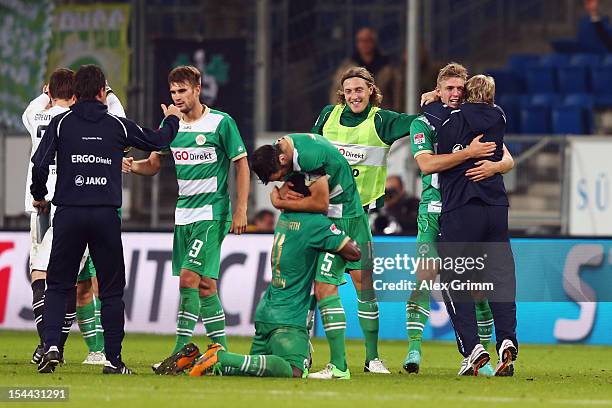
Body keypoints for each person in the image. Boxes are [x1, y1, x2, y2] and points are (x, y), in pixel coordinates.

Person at [31, 64, 181, 374]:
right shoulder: (117, 126)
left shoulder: (60, 124)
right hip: (105, 216)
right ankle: (113, 360)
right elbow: (157, 140)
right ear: (102, 93)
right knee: (111, 290)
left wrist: (39, 195)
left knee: (58, 285)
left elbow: (39, 164)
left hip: (69, 214)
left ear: (75, 94)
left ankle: (53, 347)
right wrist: (172, 120)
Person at [157, 175, 362, 378]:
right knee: (294, 370)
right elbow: (354, 253)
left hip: (266, 312)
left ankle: (197, 358)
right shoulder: (316, 224)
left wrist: (279, 199)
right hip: (289, 319)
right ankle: (220, 357)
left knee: (252, 369)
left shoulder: (285, 216)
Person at [122, 65, 250, 372]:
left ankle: (180, 352)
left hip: (212, 212)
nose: (177, 97)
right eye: (173, 92)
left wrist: (241, 208)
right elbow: (153, 164)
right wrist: (131, 166)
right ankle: (223, 355)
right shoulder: (172, 126)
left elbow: (241, 165)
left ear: (197, 89)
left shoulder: (221, 122)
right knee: (205, 286)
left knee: (189, 279)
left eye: (183, 91)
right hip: (184, 215)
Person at [404, 63, 515, 376]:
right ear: (438, 90)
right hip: (433, 210)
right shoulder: (423, 122)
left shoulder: (471, 118)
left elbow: (505, 156)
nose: (455, 94)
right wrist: (468, 154)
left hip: (462, 209)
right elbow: (426, 164)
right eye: (448, 88)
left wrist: (495, 167)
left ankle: (482, 358)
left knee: (478, 286)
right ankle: (414, 348)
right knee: (425, 275)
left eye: (459, 89)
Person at [313, 66, 421, 373]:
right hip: (326, 216)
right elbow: (309, 150)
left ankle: (372, 358)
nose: (353, 96)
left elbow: (421, 123)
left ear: (371, 91)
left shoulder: (381, 120)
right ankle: (319, 358)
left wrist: (438, 103)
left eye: (359, 90)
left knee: (365, 287)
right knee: (318, 288)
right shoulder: (327, 116)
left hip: (357, 216)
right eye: (348, 91)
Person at [22, 69, 125, 367]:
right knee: (84, 282)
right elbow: (117, 115)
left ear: (50, 92)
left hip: (42, 204)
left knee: (47, 277)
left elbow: (35, 106)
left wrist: (46, 93)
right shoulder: (83, 120)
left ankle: (50, 344)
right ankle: (91, 350)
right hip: (81, 200)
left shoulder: (40, 116)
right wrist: (107, 92)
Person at [251, 133, 369, 379]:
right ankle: (306, 349)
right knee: (313, 286)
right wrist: (282, 194)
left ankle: (340, 367)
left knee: (326, 288)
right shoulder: (285, 150)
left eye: (279, 175)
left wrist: (281, 204)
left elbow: (320, 204)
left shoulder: (307, 159)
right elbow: (290, 189)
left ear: (283, 160)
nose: (281, 180)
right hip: (330, 216)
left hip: (342, 216)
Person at [329, 27, 401, 111]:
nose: (364, 44)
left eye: (368, 40)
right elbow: (336, 91)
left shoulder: (388, 67)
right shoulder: (347, 68)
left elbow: (397, 93)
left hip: (382, 115)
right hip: (355, 116)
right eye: (361, 40)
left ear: (374, 42)